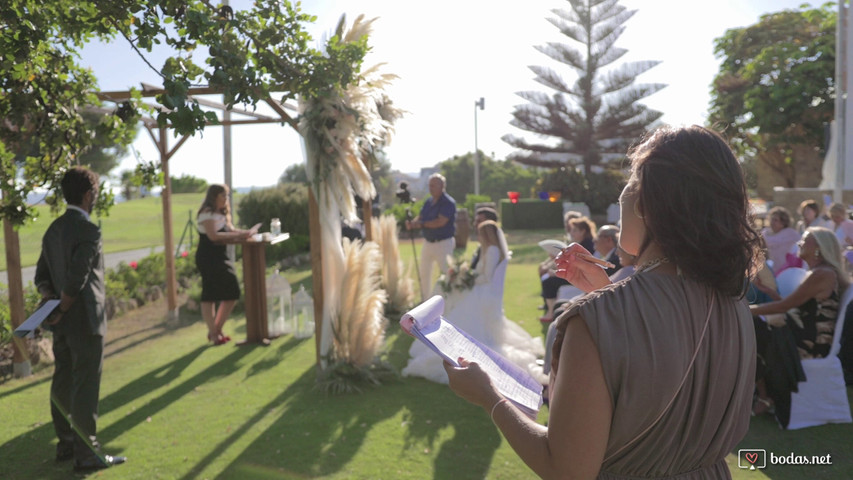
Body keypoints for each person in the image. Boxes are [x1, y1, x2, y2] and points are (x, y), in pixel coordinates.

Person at [444, 125, 760, 478]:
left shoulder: (594, 320)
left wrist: (490, 397)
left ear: (646, 203)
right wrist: (605, 292)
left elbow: (566, 469)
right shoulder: (733, 305)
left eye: (631, 178)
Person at [34, 167, 127, 471]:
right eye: (95, 194)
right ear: (88, 195)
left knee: (62, 380)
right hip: (85, 319)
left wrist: (52, 306)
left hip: (60, 323)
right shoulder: (89, 230)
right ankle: (87, 454)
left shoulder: (53, 230)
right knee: (85, 385)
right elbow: (78, 278)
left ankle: (66, 444)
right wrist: (62, 306)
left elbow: (41, 278)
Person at [404, 220, 544, 384]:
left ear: (486, 235)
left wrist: (467, 278)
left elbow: (486, 277)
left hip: (484, 292)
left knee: (461, 308)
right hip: (484, 290)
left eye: (479, 233)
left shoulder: (491, 250)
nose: (477, 236)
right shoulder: (490, 249)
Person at [749, 227, 849, 423]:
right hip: (802, 332)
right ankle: (763, 392)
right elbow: (794, 308)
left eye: (805, 240)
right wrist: (770, 293)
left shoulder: (823, 274)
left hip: (810, 344)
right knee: (752, 329)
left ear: (819, 248)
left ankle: (764, 394)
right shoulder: (818, 272)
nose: (800, 243)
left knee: (751, 328)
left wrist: (745, 311)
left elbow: (787, 306)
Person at [195, 184, 254, 345]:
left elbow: (230, 230)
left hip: (221, 256)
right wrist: (236, 236)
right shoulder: (206, 213)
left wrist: (244, 233)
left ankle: (216, 330)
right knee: (210, 295)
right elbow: (213, 237)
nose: (226, 199)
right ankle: (214, 333)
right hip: (208, 258)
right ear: (214, 197)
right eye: (224, 196)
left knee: (232, 291)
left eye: (227, 196)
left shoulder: (221, 214)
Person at [406, 173, 457, 300]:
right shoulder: (429, 201)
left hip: (443, 243)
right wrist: (413, 223)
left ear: (442, 186)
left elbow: (440, 222)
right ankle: (425, 301)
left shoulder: (448, 202)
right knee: (424, 273)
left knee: (446, 273)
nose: (431, 188)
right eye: (429, 185)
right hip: (428, 242)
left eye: (433, 185)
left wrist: (419, 224)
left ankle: (450, 300)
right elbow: (422, 216)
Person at [538, 213, 595, 323]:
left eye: (574, 230)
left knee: (549, 282)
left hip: (581, 277)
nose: (571, 233)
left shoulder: (586, 246)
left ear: (582, 231)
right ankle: (549, 309)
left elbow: (578, 266)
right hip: (580, 274)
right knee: (547, 277)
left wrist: (555, 273)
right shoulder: (583, 243)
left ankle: (550, 312)